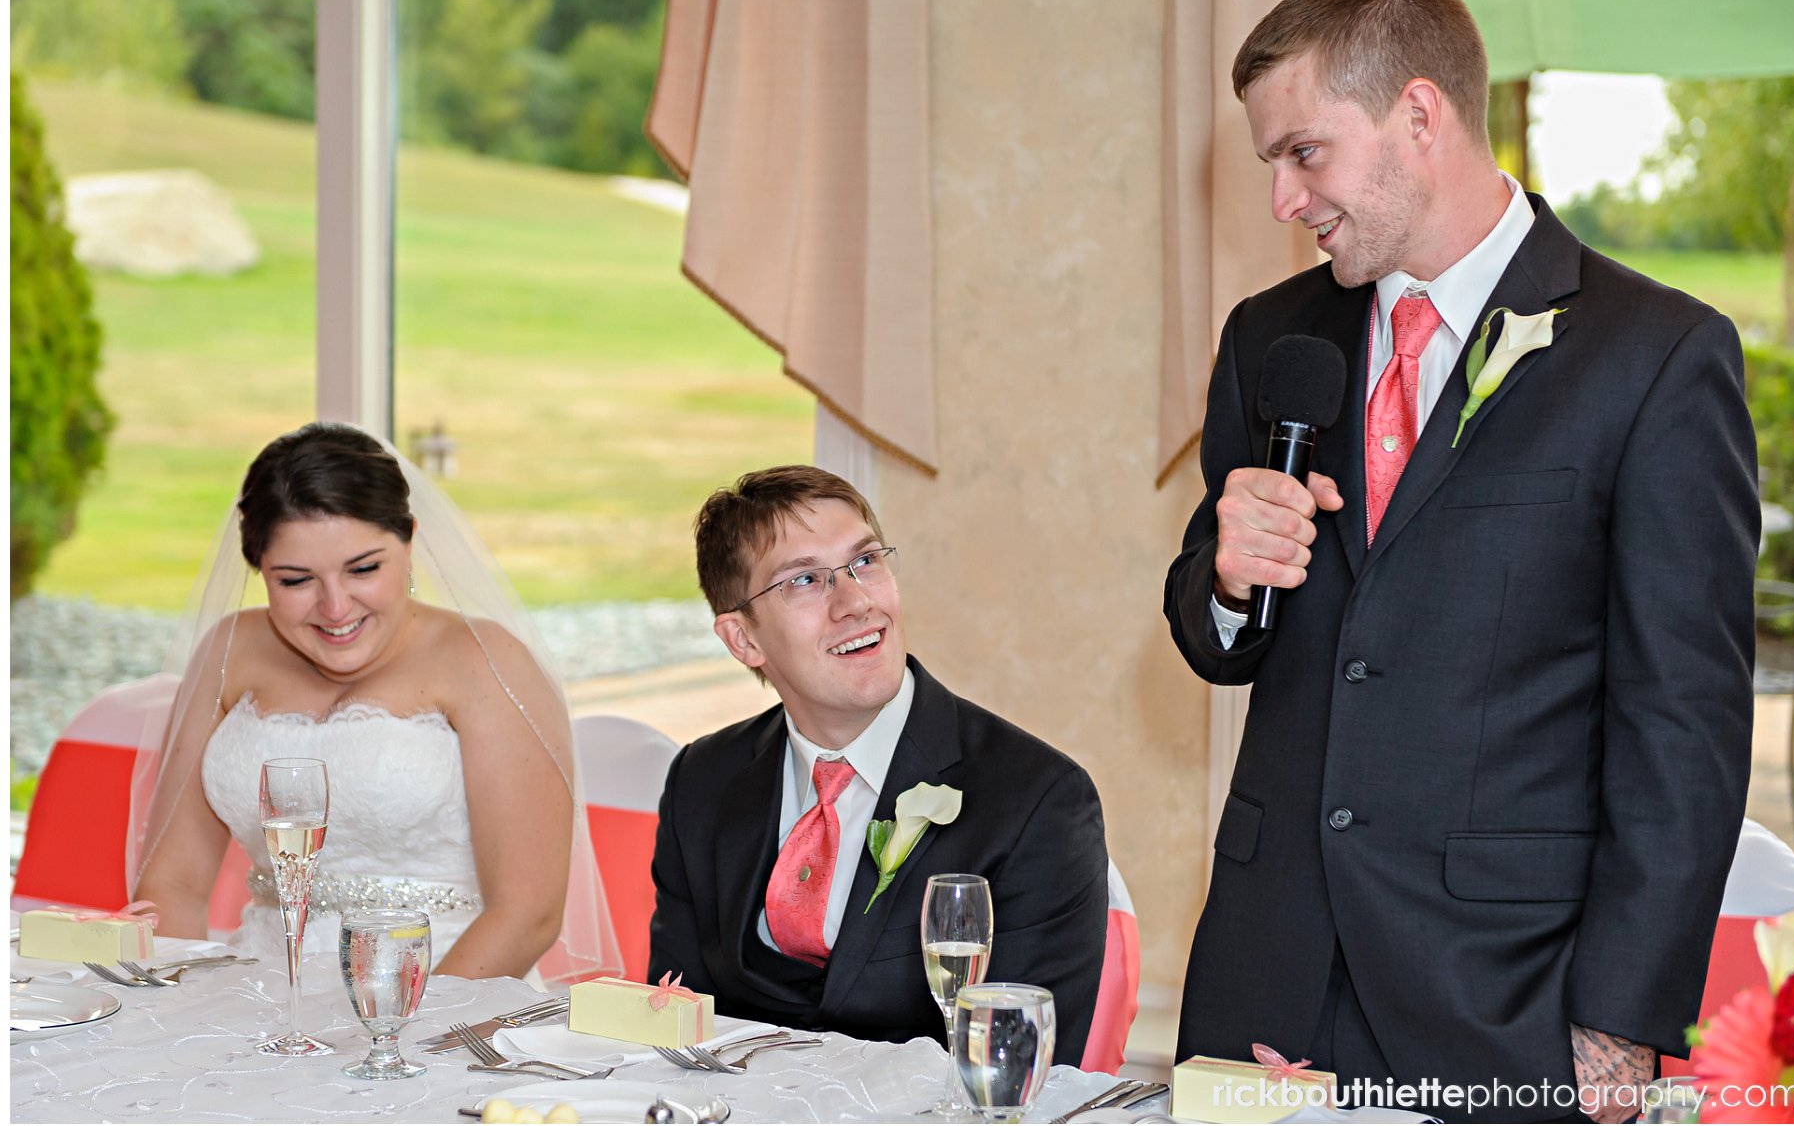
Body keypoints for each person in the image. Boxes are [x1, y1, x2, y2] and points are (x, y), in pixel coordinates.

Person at [1164, 0, 1757, 1123]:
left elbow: (1682, 727)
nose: (1284, 200)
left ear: (1418, 116)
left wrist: (1621, 1022)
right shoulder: (1270, 339)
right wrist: (1227, 577)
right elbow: (1213, 638)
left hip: (1506, 996)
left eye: (1303, 154)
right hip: (1264, 971)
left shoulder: (1656, 358)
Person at [129, 422, 620, 984]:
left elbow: (527, 914)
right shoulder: (228, 651)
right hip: (257, 996)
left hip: (445, 1002)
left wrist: (397, 1033)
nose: (335, 607)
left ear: (409, 540)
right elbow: (174, 884)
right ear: (259, 568)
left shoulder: (485, 662)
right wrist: (179, 1004)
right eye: (295, 580)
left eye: (364, 569)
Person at [649, 465, 1110, 1063]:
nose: (856, 602)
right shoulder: (702, 780)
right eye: (807, 581)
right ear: (743, 640)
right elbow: (672, 1027)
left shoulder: (1038, 800)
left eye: (866, 561)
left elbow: (1017, 1072)